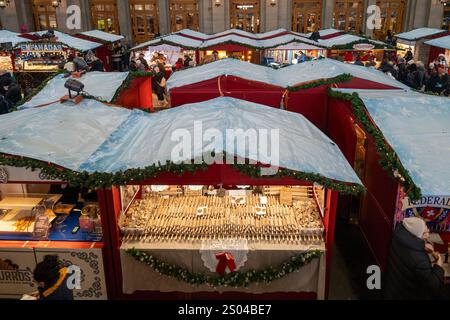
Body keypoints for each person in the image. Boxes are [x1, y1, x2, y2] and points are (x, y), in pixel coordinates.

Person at [384, 217, 445, 300]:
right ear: (417, 235)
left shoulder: (398, 235)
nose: (428, 231)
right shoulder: (420, 260)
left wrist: (421, 245)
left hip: (393, 288)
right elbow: (433, 284)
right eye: (425, 232)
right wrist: (438, 265)